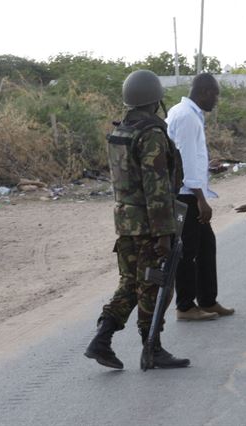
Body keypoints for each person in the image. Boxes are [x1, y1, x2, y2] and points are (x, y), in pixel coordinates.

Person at [84, 69, 190, 370]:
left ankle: (101, 340)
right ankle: (152, 349)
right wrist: (164, 235)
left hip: (125, 222)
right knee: (155, 285)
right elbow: (156, 189)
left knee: (131, 283)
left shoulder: (121, 131)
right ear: (156, 100)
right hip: (148, 225)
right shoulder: (152, 135)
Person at [166, 73, 234, 321]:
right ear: (205, 92)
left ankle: (207, 300)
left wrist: (208, 168)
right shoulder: (186, 116)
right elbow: (184, 160)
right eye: (215, 95)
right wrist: (201, 199)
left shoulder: (187, 113)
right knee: (188, 251)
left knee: (206, 246)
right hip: (187, 196)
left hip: (190, 191)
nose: (216, 101)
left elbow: (190, 157)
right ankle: (185, 306)